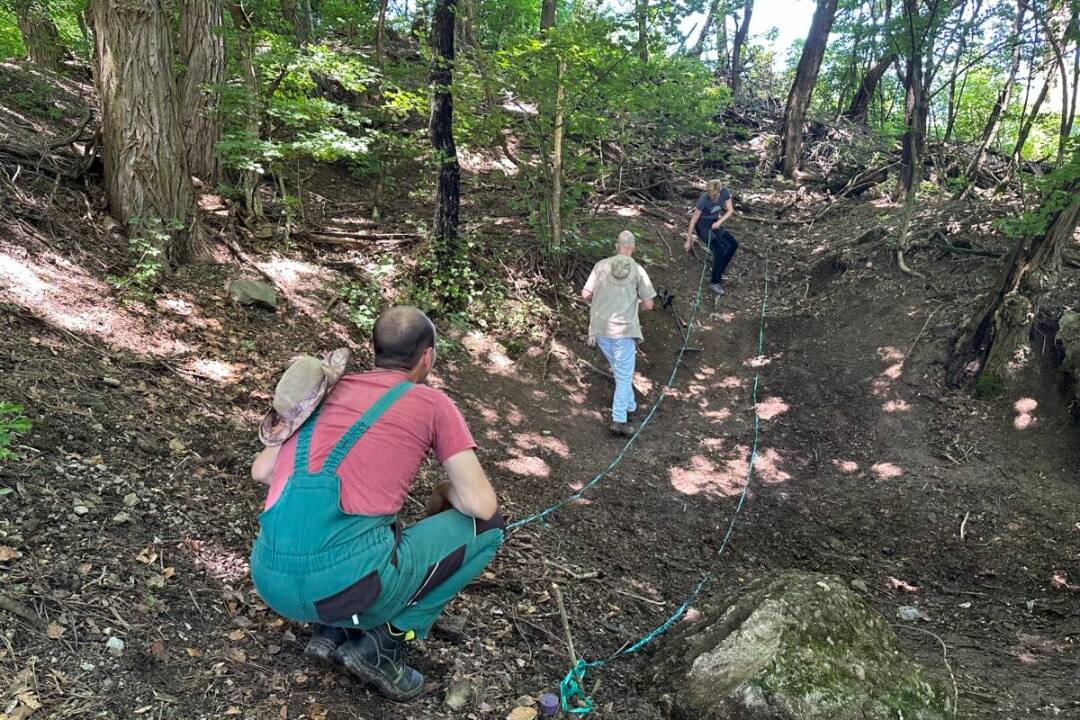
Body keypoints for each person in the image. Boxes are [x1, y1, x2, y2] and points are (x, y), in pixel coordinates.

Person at [248, 306, 504, 702]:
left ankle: (334, 629)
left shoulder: (327, 389)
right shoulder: (432, 403)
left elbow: (262, 470)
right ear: (428, 357)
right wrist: (444, 495)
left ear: (374, 351)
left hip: (270, 576)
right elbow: (481, 505)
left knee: (367, 534)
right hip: (344, 583)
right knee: (489, 529)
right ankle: (383, 644)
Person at [582, 230, 657, 437]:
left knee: (620, 372)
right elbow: (649, 305)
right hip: (624, 330)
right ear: (632, 248)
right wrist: (637, 303)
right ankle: (619, 420)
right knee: (624, 376)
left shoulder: (601, 266)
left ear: (617, 246)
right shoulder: (638, 270)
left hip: (600, 329)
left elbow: (585, 294)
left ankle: (630, 407)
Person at [684, 178, 737, 295]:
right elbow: (693, 220)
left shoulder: (725, 192)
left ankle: (717, 270)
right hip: (702, 226)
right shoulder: (703, 200)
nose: (712, 198)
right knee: (718, 249)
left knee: (733, 244)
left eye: (714, 195)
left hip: (714, 222)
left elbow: (730, 210)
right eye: (710, 195)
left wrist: (719, 222)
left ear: (719, 191)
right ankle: (715, 282)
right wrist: (689, 240)